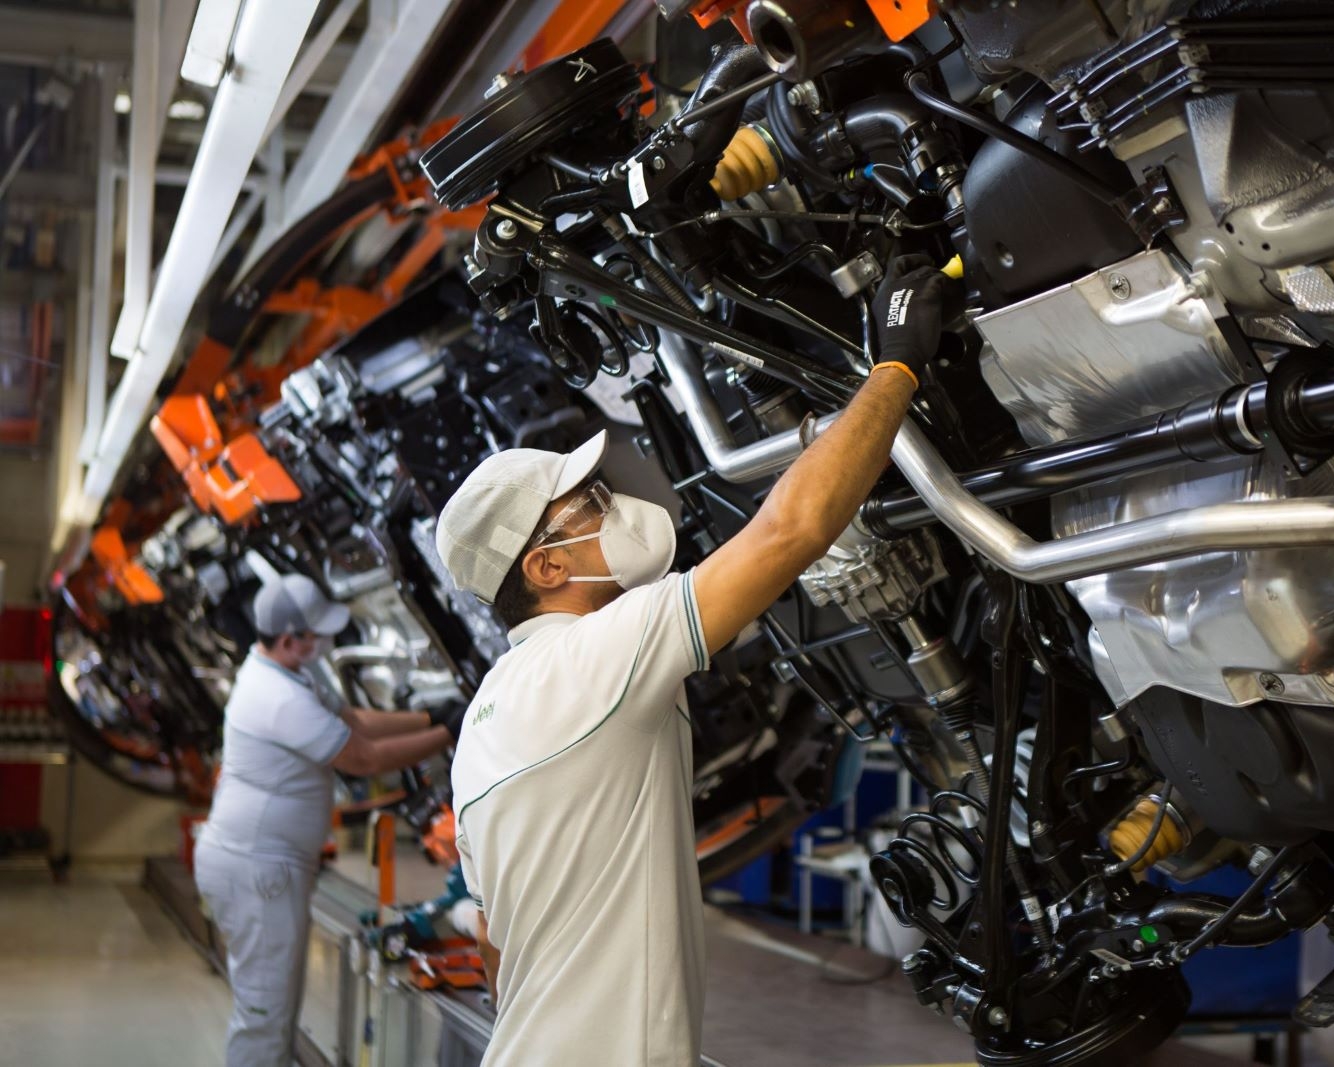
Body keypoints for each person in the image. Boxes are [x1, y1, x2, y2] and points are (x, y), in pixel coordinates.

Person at [436, 257, 950, 1067]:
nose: (611, 505)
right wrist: (895, 364)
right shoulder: (592, 660)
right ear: (545, 569)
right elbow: (791, 531)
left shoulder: (487, 722)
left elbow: (497, 942)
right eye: (588, 505)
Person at [194, 572, 464, 1066]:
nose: (325, 639)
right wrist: (449, 735)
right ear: (289, 638)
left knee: (273, 1007)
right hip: (256, 870)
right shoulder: (275, 697)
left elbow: (354, 720)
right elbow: (360, 757)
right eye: (315, 632)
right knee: (263, 1014)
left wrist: (432, 717)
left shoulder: (292, 672)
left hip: (262, 865)